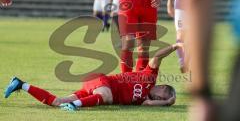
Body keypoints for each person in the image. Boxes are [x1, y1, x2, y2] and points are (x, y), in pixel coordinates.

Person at [4, 43, 183, 111]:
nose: (160, 98)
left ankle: (21, 84)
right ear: (162, 87)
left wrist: (168, 103)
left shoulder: (144, 100)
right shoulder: (149, 77)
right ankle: (75, 105)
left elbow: (150, 104)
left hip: (94, 90)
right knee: (107, 97)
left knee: (57, 102)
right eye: (164, 95)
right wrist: (176, 45)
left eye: (163, 99)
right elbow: (158, 56)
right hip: (100, 82)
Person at [118, 0, 170, 73]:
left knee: (144, 49)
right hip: (128, 5)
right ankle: (126, 79)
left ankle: (138, 82)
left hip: (148, 6)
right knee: (128, 43)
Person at [167, 0, 187, 73]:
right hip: (180, 7)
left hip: (194, 8)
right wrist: (169, 4)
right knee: (180, 34)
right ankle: (182, 61)